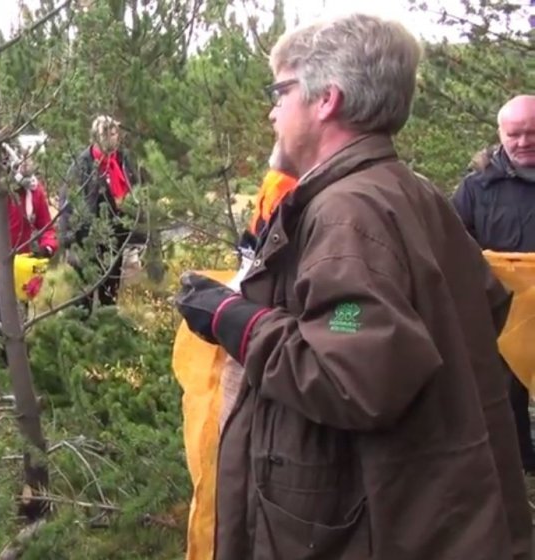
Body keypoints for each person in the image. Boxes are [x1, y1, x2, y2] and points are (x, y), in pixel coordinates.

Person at [175, 13, 531, 559]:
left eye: (280, 89)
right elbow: (463, 309)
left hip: (367, 526)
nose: (271, 110)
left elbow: (349, 361)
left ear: (327, 100)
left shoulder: (347, 215)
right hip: (438, 512)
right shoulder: (410, 191)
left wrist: (233, 319)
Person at [452, 94, 535, 486]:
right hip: (501, 311)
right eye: (514, 134)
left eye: (532, 133)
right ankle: (520, 469)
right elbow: (452, 241)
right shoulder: (475, 188)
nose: (523, 142)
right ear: (500, 133)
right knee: (505, 394)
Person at [0, 138, 57, 359]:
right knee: (0, 313)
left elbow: (47, 227)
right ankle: (0, 361)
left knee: (21, 312)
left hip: (23, 264)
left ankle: (19, 361)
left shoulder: (35, 190)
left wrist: (46, 248)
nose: (30, 163)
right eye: (25, 157)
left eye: (33, 158)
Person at [58, 115, 139, 314]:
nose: (114, 138)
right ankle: (81, 335)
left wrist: (136, 238)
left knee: (110, 293)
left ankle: (108, 331)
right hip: (87, 240)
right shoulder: (82, 165)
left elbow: (136, 196)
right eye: (109, 134)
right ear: (97, 137)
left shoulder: (123, 160)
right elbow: (67, 205)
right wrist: (69, 242)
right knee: (83, 295)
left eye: (115, 133)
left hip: (115, 239)